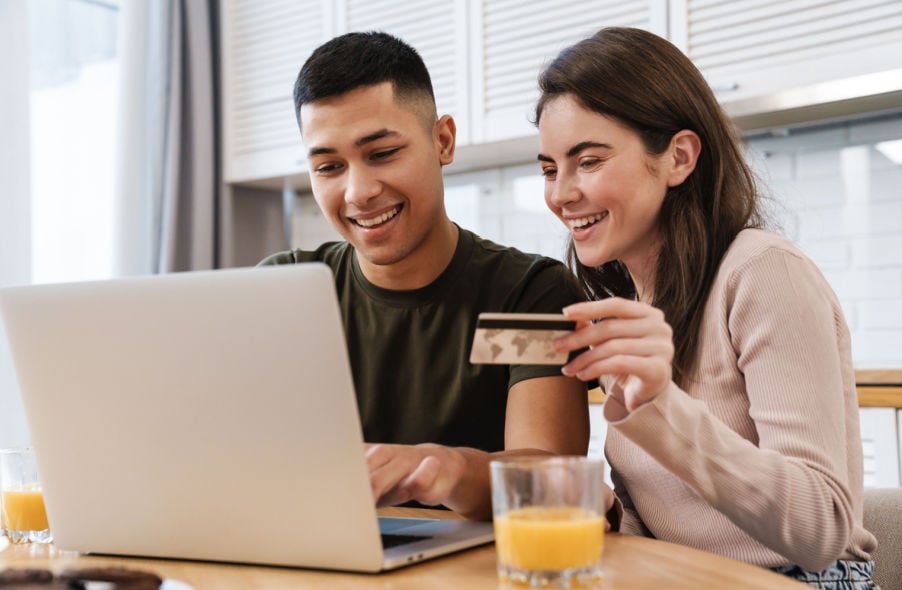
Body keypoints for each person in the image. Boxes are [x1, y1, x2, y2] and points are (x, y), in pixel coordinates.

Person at [536, 27, 878, 589]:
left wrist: (661, 404)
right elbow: (680, 520)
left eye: (588, 161)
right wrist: (613, 518)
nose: (560, 193)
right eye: (550, 168)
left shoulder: (762, 271)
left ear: (678, 157)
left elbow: (822, 529)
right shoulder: (633, 305)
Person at [259, 31, 589, 521]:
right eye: (329, 166)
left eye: (382, 153)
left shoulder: (523, 294)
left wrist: (443, 469)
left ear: (443, 141)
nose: (358, 192)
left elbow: (547, 480)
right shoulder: (287, 289)